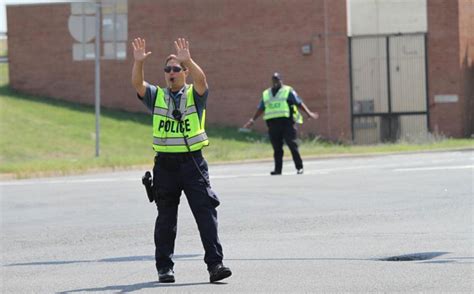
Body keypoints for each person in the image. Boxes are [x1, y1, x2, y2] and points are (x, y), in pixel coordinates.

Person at [131, 37, 232, 283]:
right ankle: (164, 267)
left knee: (205, 214)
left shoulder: (194, 95)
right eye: (168, 69)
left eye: (177, 69)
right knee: (166, 219)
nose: (171, 73)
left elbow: (202, 81)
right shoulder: (157, 96)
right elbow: (137, 84)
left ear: (184, 72)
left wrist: (188, 59)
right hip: (165, 166)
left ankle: (215, 265)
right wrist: (139, 63)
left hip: (192, 164)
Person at [243, 72, 318, 175]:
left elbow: (298, 103)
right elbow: (261, 108)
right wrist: (252, 120)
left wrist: (308, 113)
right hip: (272, 124)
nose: (275, 82)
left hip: (287, 122)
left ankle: (299, 167)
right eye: (274, 80)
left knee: (292, 144)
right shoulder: (266, 93)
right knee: (277, 147)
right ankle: (278, 170)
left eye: (277, 80)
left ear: (281, 80)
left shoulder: (288, 91)